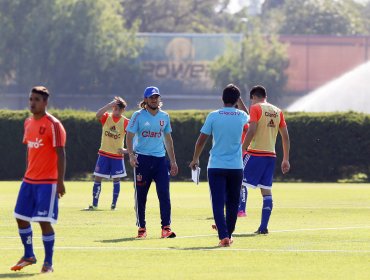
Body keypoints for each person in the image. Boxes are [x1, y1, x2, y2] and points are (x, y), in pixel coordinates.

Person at [11, 86, 66, 273]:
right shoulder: (27, 123)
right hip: (29, 180)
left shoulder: (54, 125)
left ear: (45, 102)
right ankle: (29, 255)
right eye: (31, 99)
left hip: (47, 182)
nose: (32, 103)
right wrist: (28, 171)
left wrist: (60, 182)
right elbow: (29, 149)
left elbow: (61, 154)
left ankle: (48, 263)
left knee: (43, 221)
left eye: (36, 99)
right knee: (20, 217)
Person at [189, 84, 249, 247]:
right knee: (232, 202)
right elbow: (250, 118)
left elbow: (201, 139)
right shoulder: (241, 115)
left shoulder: (213, 116)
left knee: (217, 201)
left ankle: (223, 236)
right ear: (236, 100)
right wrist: (240, 100)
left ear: (222, 99)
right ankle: (228, 235)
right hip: (236, 167)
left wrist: (195, 158)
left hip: (216, 165)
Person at [126, 86, 178, 239]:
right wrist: (131, 155)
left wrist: (173, 161)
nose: (154, 99)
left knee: (164, 194)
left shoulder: (165, 116)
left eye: (156, 97)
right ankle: (142, 228)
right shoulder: (138, 115)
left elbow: (168, 140)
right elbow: (129, 136)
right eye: (151, 97)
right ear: (145, 99)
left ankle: (166, 228)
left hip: (160, 161)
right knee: (141, 196)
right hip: (142, 159)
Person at [242, 85, 290, 234]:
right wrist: (286, 159)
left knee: (234, 181)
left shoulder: (256, 108)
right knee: (266, 192)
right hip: (271, 156)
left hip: (255, 154)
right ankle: (263, 227)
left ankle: (226, 221)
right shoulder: (278, 111)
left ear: (254, 97)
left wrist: (242, 149)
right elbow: (286, 137)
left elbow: (251, 130)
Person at [85, 97, 129, 210]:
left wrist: (127, 150)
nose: (116, 111)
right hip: (104, 154)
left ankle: (113, 205)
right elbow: (97, 114)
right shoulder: (106, 117)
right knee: (97, 178)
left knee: (116, 180)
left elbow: (135, 137)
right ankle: (94, 205)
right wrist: (109, 105)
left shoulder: (125, 122)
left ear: (123, 110)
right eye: (115, 108)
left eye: (119, 110)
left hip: (117, 156)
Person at [237, 123, 249, 217]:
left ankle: (242, 210)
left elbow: (250, 131)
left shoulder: (244, 121)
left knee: (242, 182)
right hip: (234, 155)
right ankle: (236, 208)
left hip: (245, 154)